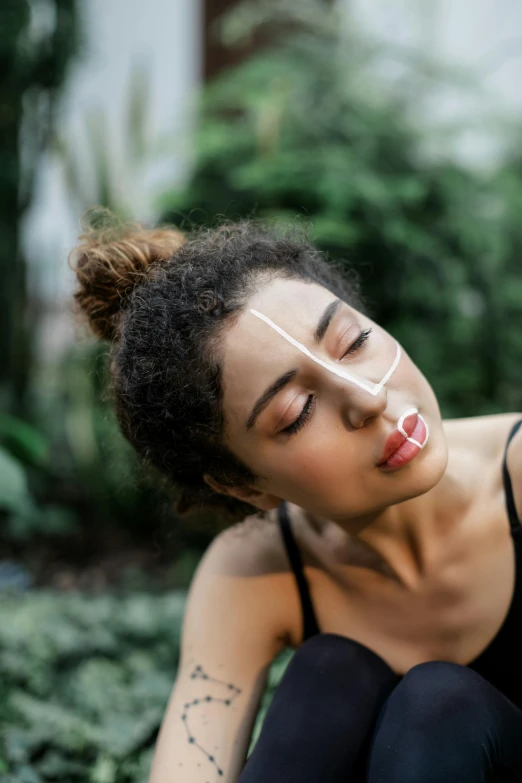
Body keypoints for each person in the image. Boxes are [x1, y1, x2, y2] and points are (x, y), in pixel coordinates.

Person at [71, 214, 522, 783]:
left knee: (440, 706)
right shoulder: (257, 572)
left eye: (354, 342)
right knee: (330, 673)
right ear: (244, 485)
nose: (369, 398)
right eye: (297, 412)